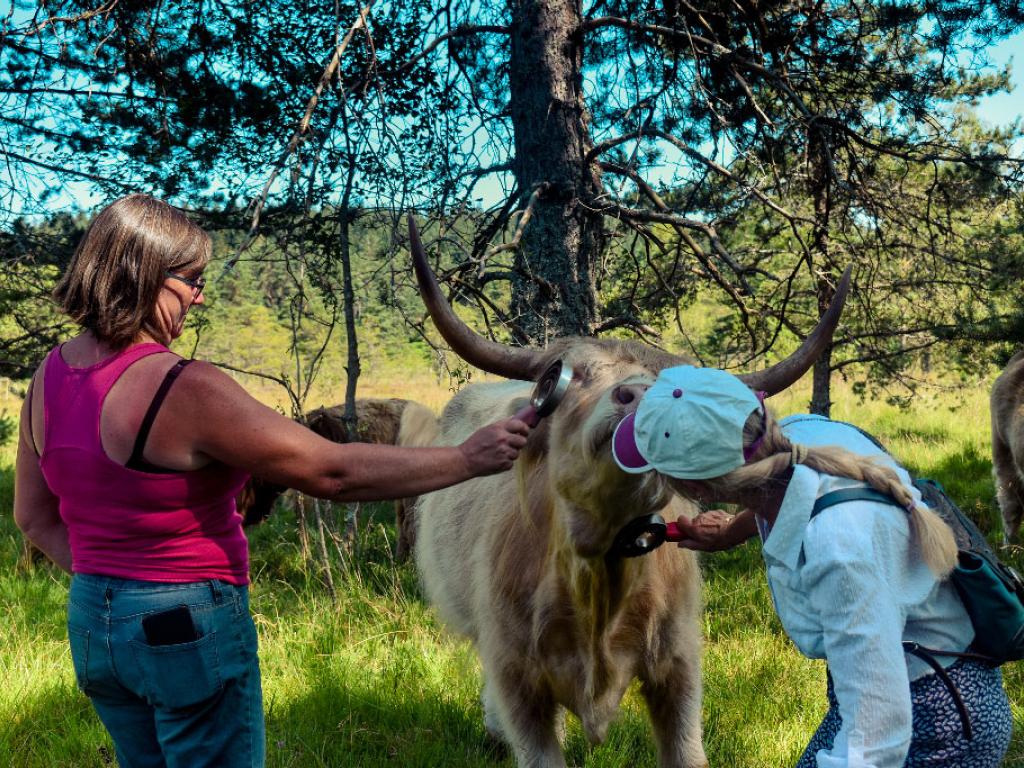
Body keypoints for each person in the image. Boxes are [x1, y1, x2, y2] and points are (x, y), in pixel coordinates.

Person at [13, 193, 531, 768]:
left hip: (93, 622)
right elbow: (330, 471)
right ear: (145, 276)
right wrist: (466, 458)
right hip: (184, 622)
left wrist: (115, 592)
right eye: (191, 279)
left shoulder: (49, 376)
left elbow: (33, 518)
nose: (200, 295)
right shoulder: (181, 387)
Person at [611, 365, 1012, 768]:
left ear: (695, 489)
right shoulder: (800, 436)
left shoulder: (840, 552)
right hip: (893, 681)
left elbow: (876, 741)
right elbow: (786, 490)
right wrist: (733, 530)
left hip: (938, 717)